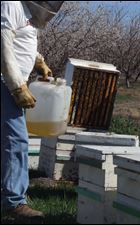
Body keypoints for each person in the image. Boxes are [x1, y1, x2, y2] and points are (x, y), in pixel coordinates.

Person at [1, 1, 64, 221]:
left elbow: (22, 40)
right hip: (5, 84)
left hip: (9, 84)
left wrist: (39, 61)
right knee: (17, 141)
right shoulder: (10, 4)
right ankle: (14, 202)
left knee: (8, 141)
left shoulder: (26, 13)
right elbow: (3, 41)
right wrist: (17, 86)